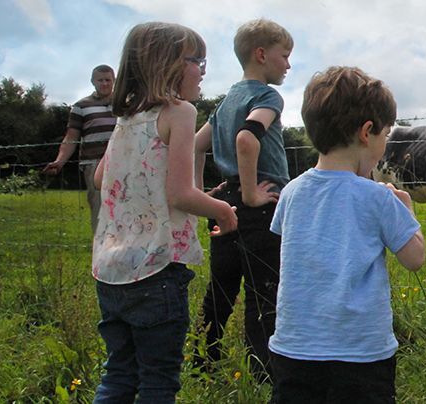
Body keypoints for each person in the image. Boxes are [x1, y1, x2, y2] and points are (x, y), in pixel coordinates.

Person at [91, 21, 237, 402]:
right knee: (158, 381)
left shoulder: (126, 119)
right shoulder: (180, 112)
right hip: (157, 271)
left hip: (110, 272)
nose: (203, 70)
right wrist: (221, 210)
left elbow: (100, 178)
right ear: (168, 65)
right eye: (197, 61)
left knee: (119, 376)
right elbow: (179, 194)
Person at [267, 66, 425, 403]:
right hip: (361, 354)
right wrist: (407, 210)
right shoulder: (378, 197)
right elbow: (414, 259)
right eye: (385, 135)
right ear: (367, 132)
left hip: (294, 349)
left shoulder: (291, 192)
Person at [191, 18, 291, 383]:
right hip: (258, 203)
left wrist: (199, 192)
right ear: (261, 55)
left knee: (221, 287)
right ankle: (263, 374)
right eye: (285, 55)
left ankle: (202, 363)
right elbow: (248, 139)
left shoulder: (226, 101)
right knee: (264, 292)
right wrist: (251, 195)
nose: (288, 64)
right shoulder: (267, 96)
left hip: (224, 202)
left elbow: (195, 145)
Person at [42, 64, 116, 233]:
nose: (104, 84)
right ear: (92, 82)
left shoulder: (125, 105)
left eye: (108, 80)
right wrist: (59, 162)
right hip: (94, 164)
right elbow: (71, 137)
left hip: (122, 162)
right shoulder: (81, 106)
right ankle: (101, 252)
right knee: (99, 211)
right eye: (100, 80)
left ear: (114, 81)